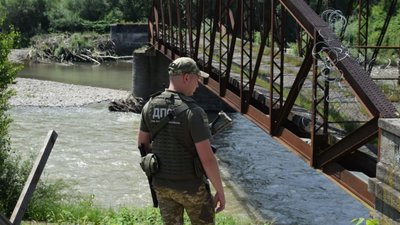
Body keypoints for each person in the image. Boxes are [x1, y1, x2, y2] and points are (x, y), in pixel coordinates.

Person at [137, 57, 225, 225]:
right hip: (193, 188)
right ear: (186, 77)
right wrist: (220, 191)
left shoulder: (149, 105)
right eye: (197, 79)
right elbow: (207, 159)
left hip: (162, 186)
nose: (198, 85)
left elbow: (142, 144)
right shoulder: (194, 112)